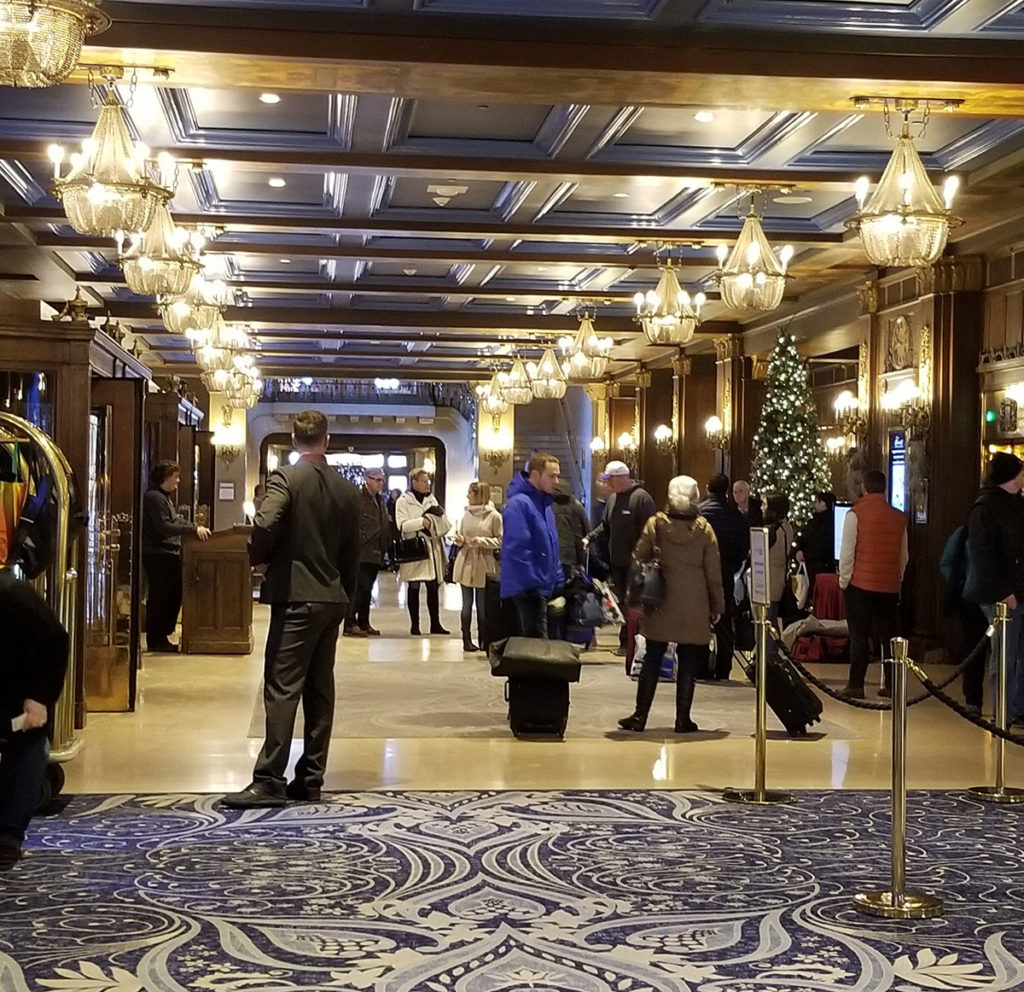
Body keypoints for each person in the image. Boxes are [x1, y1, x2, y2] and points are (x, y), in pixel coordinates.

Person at [222, 410, 360, 809]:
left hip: (296, 597)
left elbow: (265, 524)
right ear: (327, 440)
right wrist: (345, 599)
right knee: (320, 690)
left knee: (282, 689)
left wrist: (259, 559)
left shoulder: (286, 478)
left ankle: (269, 780)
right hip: (332, 598)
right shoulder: (347, 490)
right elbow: (353, 552)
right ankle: (311, 778)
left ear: (294, 439)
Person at [618, 476, 724, 734]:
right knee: (688, 661)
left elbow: (638, 558)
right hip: (695, 604)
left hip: (660, 601)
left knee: (652, 658)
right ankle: (683, 719)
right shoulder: (704, 530)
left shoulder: (656, 525)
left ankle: (640, 717)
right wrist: (717, 605)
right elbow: (713, 573)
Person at [0, 567, 68, 868]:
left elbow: (56, 640)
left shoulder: (13, 594)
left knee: (27, 751)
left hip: (23, 696)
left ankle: (8, 838)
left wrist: (39, 699)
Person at [837, 469, 908, 700]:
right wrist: (897, 579)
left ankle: (856, 684)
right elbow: (903, 555)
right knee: (888, 636)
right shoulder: (898, 517)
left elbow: (847, 552)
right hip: (888, 586)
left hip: (860, 585)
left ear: (864, 488)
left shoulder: (855, 514)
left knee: (859, 635)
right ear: (885, 489)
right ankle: (891, 684)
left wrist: (844, 580)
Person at [966, 452, 1024, 722]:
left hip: (1020, 591)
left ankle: (1017, 708)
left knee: (1018, 656)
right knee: (1004, 655)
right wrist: (1003, 592)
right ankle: (1003, 711)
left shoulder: (1018, 504)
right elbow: (983, 555)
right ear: (1010, 476)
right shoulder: (984, 508)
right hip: (1000, 597)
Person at [586, 461, 655, 653]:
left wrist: (641, 556)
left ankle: (633, 644)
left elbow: (649, 532)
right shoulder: (613, 499)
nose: (607, 484)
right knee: (622, 604)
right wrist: (589, 538)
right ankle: (625, 642)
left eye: (610, 480)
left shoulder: (642, 499)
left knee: (635, 604)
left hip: (637, 564)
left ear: (622, 478)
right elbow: (605, 526)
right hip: (617, 562)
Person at [141, 460, 211, 653]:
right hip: (158, 554)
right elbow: (164, 526)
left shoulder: (163, 497)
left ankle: (163, 636)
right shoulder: (154, 498)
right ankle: (157, 639)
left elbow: (174, 520)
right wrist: (193, 528)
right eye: (175, 477)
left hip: (166, 553)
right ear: (165, 478)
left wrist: (191, 526)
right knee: (161, 597)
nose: (178, 481)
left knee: (171, 596)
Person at [501, 453, 562, 638]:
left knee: (539, 646)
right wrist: (534, 582)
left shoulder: (545, 506)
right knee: (534, 647)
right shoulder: (519, 504)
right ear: (535, 475)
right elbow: (518, 549)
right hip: (528, 589)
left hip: (541, 586)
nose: (557, 481)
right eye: (552, 476)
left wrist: (557, 579)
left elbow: (551, 545)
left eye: (558, 476)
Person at [698, 473, 748, 680]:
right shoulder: (735, 516)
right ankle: (723, 667)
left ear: (708, 487)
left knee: (700, 619)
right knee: (724, 619)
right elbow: (743, 549)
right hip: (725, 571)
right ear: (727, 490)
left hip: (700, 572)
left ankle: (700, 666)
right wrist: (732, 567)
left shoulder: (700, 514)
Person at [395, 470, 451, 636]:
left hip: (431, 547)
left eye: (428, 481)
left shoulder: (431, 499)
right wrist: (423, 522)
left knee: (433, 587)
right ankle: (415, 625)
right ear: (414, 482)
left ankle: (435, 623)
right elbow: (402, 525)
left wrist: (433, 523)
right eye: (424, 481)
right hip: (414, 548)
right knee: (414, 586)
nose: (428, 484)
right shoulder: (403, 501)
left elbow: (441, 518)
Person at [452, 481, 502, 652]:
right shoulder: (467, 514)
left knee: (483, 606)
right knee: (466, 604)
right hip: (466, 560)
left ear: (479, 495)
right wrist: (459, 539)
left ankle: (484, 639)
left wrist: (483, 541)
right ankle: (466, 639)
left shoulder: (494, 516)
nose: (468, 496)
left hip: (484, 562)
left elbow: (500, 540)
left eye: (470, 493)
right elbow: (462, 534)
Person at [345, 469, 390, 637]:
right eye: (376, 479)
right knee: (358, 589)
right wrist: (361, 539)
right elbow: (352, 523)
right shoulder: (358, 498)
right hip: (361, 552)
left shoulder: (380, 499)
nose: (380, 483)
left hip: (376, 552)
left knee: (368, 589)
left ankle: (364, 621)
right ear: (367, 480)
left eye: (382, 480)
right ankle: (350, 622)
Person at [763, 491, 796, 631]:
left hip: (767, 583)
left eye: (764, 504)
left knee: (767, 624)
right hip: (778, 581)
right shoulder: (786, 527)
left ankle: (768, 652)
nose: (761, 507)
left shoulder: (771, 531)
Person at [795, 491, 837, 595]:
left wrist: (806, 555)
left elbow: (823, 547)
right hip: (808, 567)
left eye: (818, 502)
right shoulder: (812, 521)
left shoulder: (831, 524)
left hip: (821, 570)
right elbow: (802, 537)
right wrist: (798, 550)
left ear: (825, 504)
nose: (815, 504)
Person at [552, 480, 590, 579]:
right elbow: (587, 529)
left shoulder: (546, 504)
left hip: (551, 555)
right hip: (571, 555)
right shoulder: (575, 504)